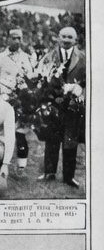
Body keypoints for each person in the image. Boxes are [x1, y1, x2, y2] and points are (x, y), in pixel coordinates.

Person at [36, 26, 86, 187]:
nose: (66, 40)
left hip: (72, 106)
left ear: (75, 40)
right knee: (52, 139)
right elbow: (41, 78)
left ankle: (68, 177)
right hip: (53, 104)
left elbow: (89, 79)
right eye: (63, 36)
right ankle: (49, 172)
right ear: (58, 37)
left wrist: (80, 90)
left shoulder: (83, 58)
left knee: (70, 141)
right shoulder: (49, 57)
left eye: (69, 37)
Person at [0, 28, 37, 177]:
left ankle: (21, 167)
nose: (17, 41)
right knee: (2, 132)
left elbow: (30, 80)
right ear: (8, 39)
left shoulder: (27, 58)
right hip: (3, 99)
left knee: (19, 133)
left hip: (20, 100)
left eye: (19, 38)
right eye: (14, 38)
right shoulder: (0, 57)